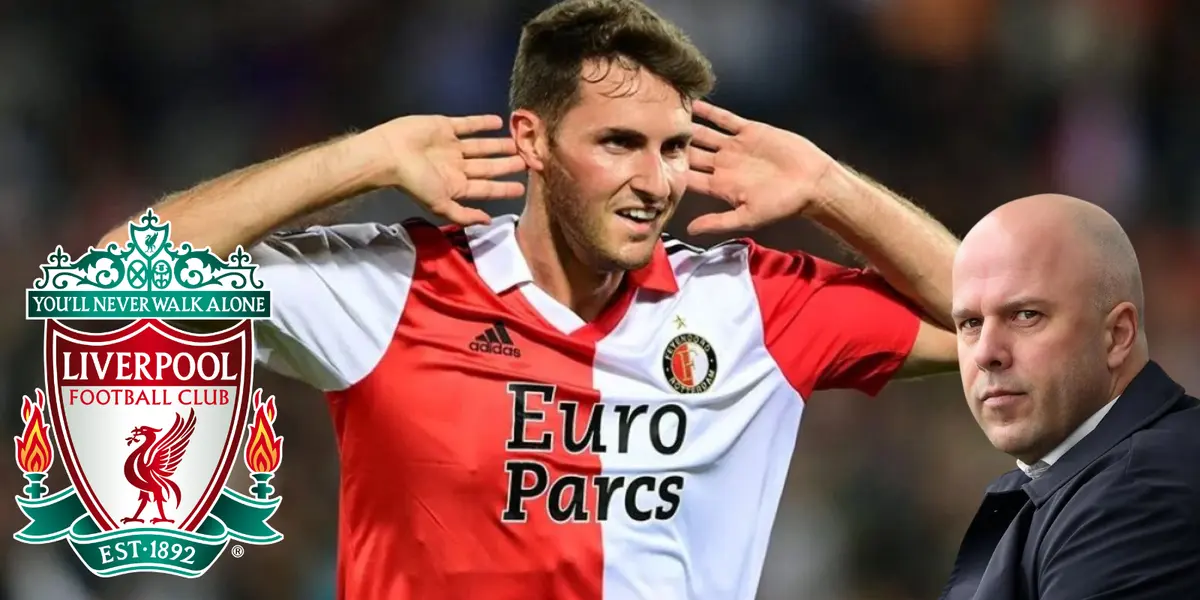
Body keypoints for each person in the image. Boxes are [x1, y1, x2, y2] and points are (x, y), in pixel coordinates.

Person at [100, 1, 961, 598]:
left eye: (672, 146)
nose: (654, 181)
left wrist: (827, 188)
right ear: (531, 140)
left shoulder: (748, 303)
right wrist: (358, 160)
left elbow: (992, 321)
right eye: (619, 143)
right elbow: (117, 281)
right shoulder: (396, 287)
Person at [941, 194, 1200, 600]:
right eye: (970, 323)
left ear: (1117, 335)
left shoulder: (1139, 492)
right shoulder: (1082, 474)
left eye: (1026, 315)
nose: (986, 352)